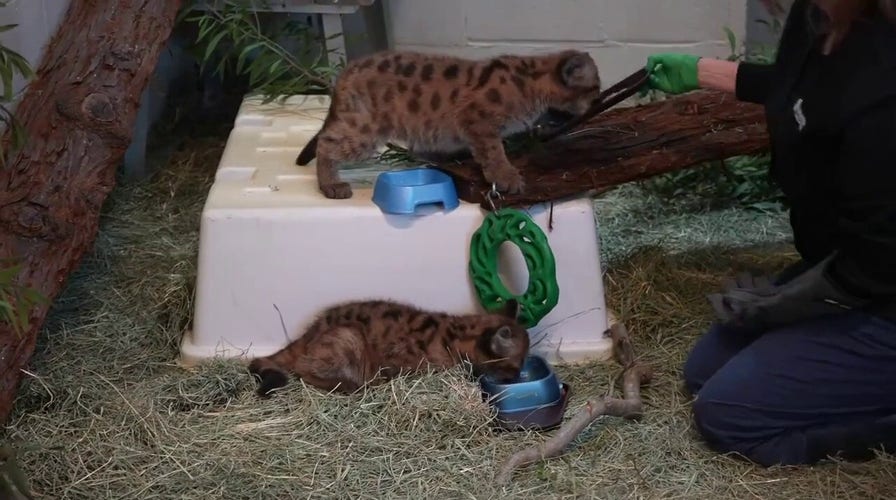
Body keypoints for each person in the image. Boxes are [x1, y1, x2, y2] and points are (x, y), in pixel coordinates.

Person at [642, 0, 896, 467]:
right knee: (703, 372)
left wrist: (785, 306)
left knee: (729, 415)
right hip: (844, 260)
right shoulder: (816, 15)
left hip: (880, 291)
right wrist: (704, 71)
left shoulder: (884, 79)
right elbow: (801, 92)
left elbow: (878, 264)